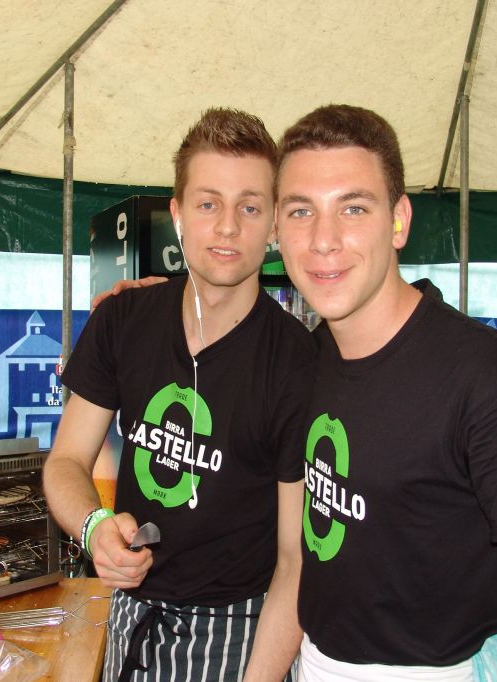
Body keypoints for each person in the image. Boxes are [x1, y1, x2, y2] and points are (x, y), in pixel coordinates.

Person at [274, 104, 497, 681]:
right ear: (277, 230)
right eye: (301, 211)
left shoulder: (487, 379)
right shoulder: (312, 358)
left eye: (353, 208)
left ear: (398, 221)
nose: (323, 240)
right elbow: (300, 562)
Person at [43, 108, 315, 682]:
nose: (227, 227)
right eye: (208, 203)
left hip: (240, 635)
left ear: (273, 224)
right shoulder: (122, 320)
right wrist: (94, 529)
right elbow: (66, 460)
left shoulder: (298, 363)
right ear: (177, 216)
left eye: (249, 207)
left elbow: (295, 562)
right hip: (130, 622)